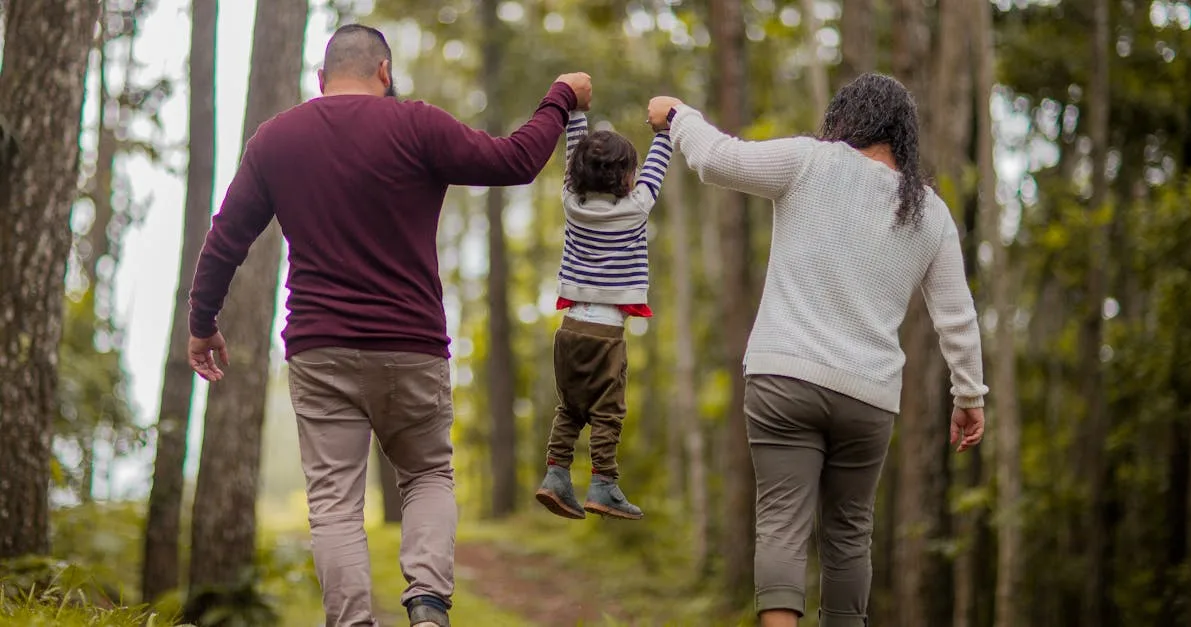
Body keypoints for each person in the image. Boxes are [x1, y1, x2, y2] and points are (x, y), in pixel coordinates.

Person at [185, 24, 591, 627]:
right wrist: (560, 95)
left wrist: (203, 322)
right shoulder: (417, 124)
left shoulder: (277, 139)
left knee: (334, 506)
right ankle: (428, 605)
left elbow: (225, 240)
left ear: (320, 82)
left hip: (320, 351)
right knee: (427, 473)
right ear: (385, 72)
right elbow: (516, 161)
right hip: (412, 347)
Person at [645, 73, 988, 627]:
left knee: (781, 523)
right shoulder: (930, 213)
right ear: (903, 135)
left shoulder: (810, 161)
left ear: (846, 119)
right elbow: (957, 315)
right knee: (850, 536)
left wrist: (678, 114)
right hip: (869, 397)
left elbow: (716, 160)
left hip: (785, 379)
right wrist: (969, 394)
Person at [534, 108, 673, 521]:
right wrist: (664, 130)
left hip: (570, 329)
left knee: (570, 408)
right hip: (606, 334)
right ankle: (603, 484)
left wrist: (576, 112)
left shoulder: (570, 203)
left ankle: (556, 474)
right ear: (626, 178)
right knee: (607, 412)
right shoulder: (636, 207)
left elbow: (571, 153)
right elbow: (658, 165)